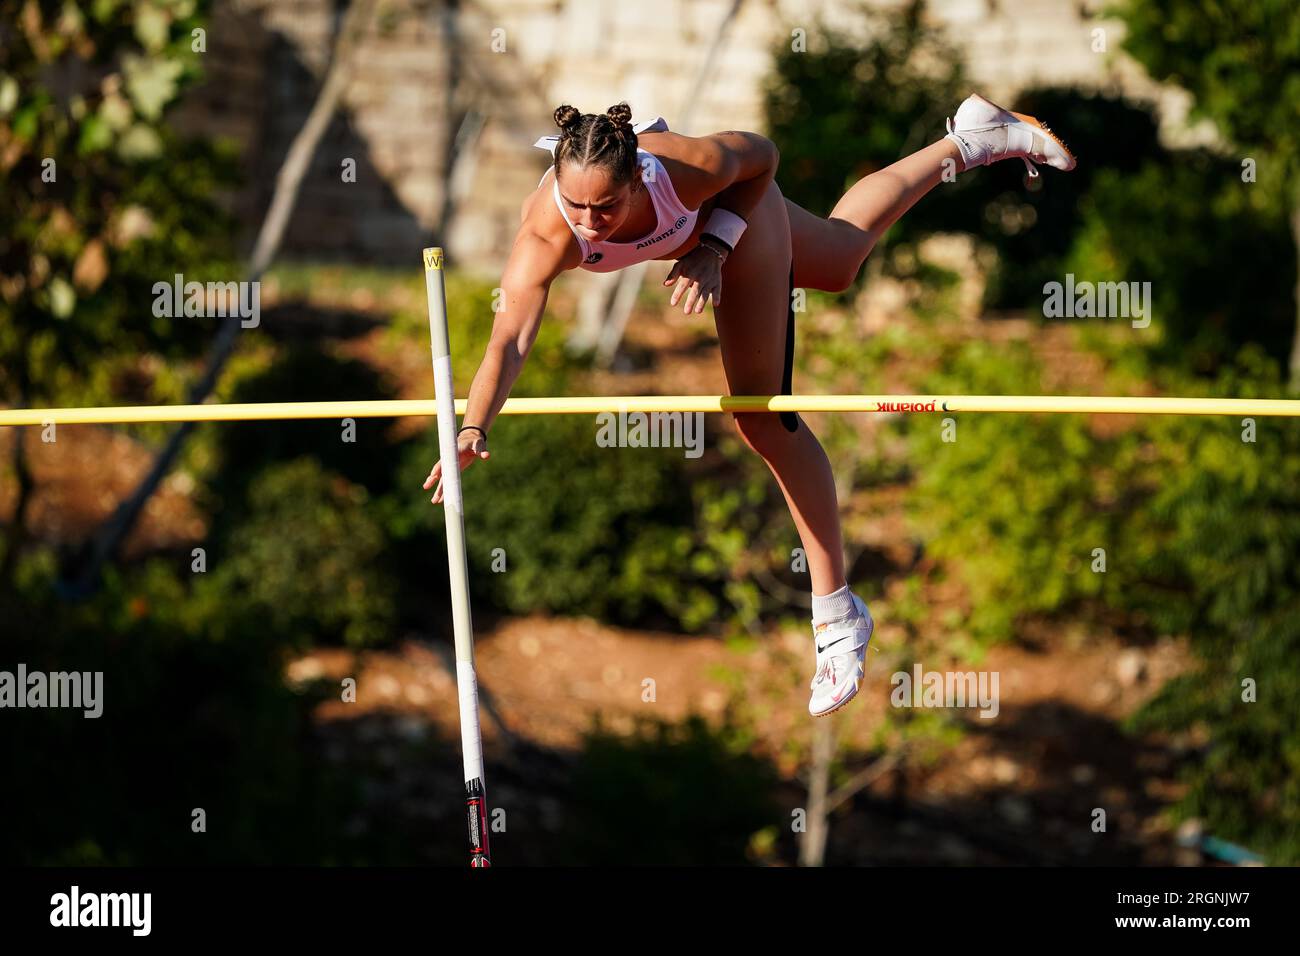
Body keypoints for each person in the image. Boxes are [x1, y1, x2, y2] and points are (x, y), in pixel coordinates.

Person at [425, 96, 1075, 717]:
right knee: (840, 258)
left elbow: (762, 158)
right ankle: (973, 139)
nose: (590, 223)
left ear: (636, 180)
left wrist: (714, 248)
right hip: (705, 235)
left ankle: (837, 614)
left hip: (737, 217)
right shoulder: (546, 230)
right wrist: (474, 424)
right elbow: (509, 337)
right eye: (577, 206)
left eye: (606, 207)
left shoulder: (684, 167)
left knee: (762, 417)